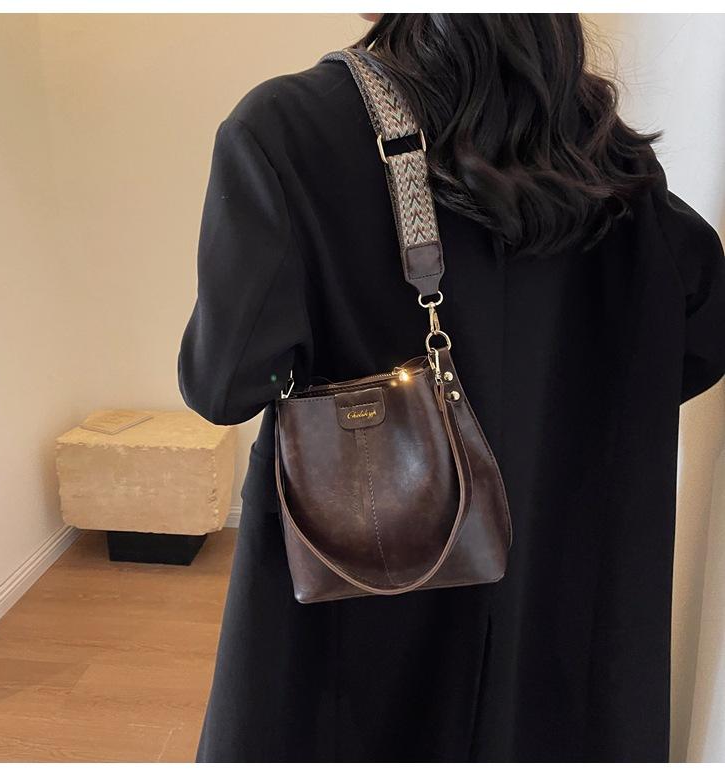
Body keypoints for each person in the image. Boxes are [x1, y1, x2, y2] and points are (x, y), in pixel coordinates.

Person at [177, 13, 725, 763]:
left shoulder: (287, 128)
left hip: (362, 589)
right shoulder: (602, 152)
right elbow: (698, 335)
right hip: (559, 602)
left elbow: (227, 386)